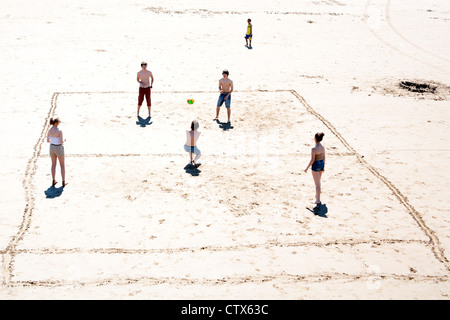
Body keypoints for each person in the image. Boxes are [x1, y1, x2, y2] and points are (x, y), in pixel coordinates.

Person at [304, 133, 326, 205]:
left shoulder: (314, 149)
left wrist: (306, 168)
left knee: (317, 184)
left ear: (315, 138)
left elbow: (312, 160)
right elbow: (324, 157)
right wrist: (323, 167)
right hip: (321, 163)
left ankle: (318, 200)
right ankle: (317, 195)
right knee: (318, 182)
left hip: (316, 165)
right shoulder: (322, 147)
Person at [47, 118, 67, 187]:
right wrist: (64, 140)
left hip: (51, 147)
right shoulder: (59, 131)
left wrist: (53, 139)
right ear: (56, 123)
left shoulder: (49, 130)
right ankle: (63, 181)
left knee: (53, 164)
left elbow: (48, 140)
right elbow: (61, 142)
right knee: (62, 165)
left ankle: (53, 180)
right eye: (59, 122)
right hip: (58, 148)